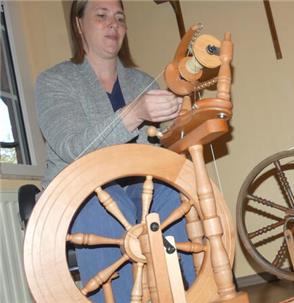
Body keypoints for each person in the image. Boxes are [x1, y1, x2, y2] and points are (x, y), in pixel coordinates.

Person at [35, 0, 195, 301]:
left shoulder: (142, 81)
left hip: (138, 189)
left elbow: (165, 147)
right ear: (79, 25)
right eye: (102, 16)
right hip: (75, 193)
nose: (114, 24)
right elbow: (73, 147)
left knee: (173, 194)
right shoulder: (54, 81)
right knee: (107, 202)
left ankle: (193, 293)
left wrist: (184, 117)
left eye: (120, 17)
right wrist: (133, 114)